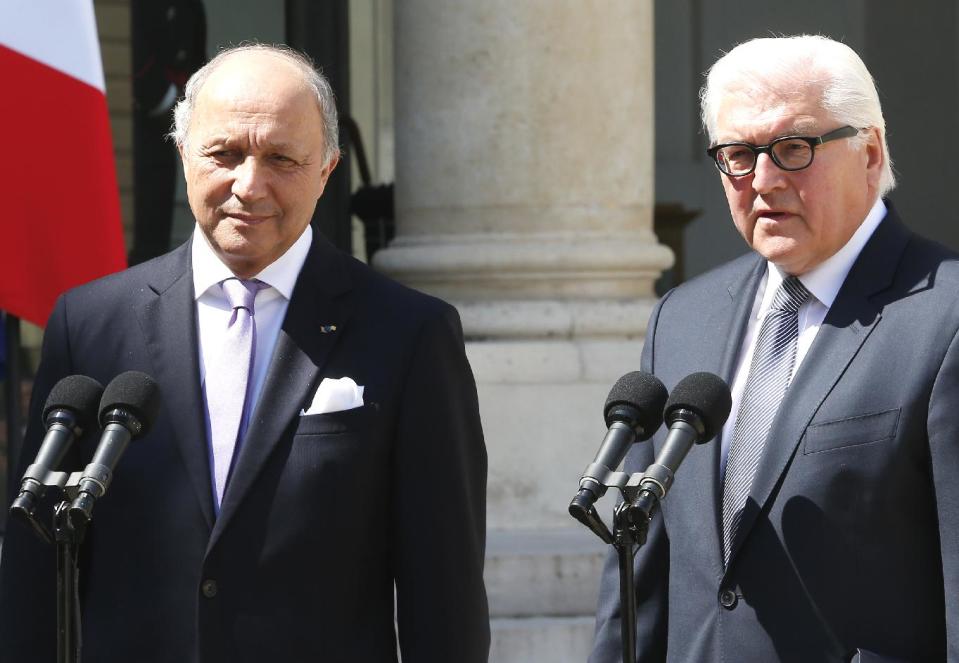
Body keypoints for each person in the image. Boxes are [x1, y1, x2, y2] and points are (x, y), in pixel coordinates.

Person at [0, 44, 490, 662]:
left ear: (328, 168)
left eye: (281, 158)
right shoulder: (90, 324)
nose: (248, 185)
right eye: (224, 154)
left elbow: (443, 590)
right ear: (183, 156)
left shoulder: (410, 332)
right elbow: (34, 571)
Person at [590, 35, 959, 662]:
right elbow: (641, 577)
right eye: (737, 154)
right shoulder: (683, 318)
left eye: (793, 148)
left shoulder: (944, 317)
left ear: (870, 153)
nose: (762, 180)